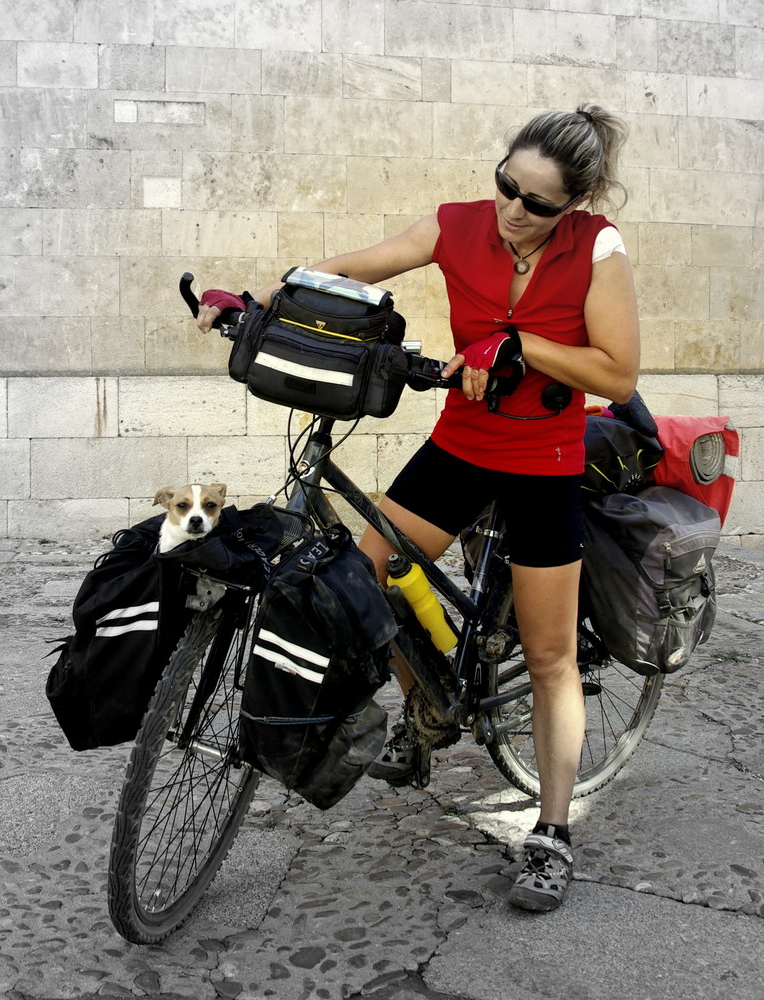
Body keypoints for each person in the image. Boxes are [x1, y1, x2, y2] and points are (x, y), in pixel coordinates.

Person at [196, 103, 640, 912]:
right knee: (365, 574)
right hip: (462, 443)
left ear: (571, 204)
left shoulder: (597, 250)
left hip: (545, 457)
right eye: (506, 186)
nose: (513, 210)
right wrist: (256, 298)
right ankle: (425, 709)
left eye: (537, 203)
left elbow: (616, 375)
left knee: (548, 659)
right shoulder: (455, 228)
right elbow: (351, 270)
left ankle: (550, 831)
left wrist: (523, 348)